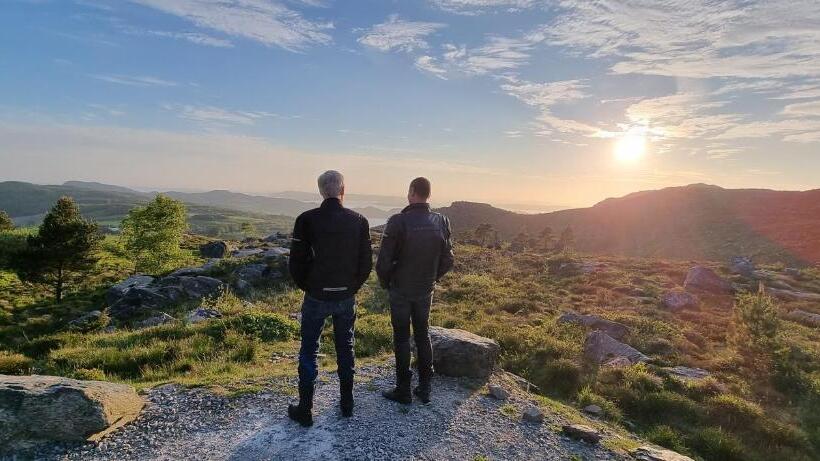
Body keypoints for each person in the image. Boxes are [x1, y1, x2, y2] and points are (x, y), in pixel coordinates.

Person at [287, 170, 372, 427]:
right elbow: (366, 263)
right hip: (346, 295)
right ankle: (347, 404)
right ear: (343, 190)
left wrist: (310, 287)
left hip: (316, 296)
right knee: (346, 347)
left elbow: (296, 263)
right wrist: (351, 287)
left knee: (309, 349)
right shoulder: (359, 221)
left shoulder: (306, 220)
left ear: (321, 191)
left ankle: (306, 409)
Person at [376, 177, 454, 404]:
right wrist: (433, 279)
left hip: (400, 290)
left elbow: (383, 263)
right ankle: (425, 387)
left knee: (401, 337)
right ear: (429, 195)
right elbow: (449, 259)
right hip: (425, 289)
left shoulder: (398, 221)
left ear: (411, 192)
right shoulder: (441, 220)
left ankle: (403, 389)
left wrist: (387, 283)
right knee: (422, 334)